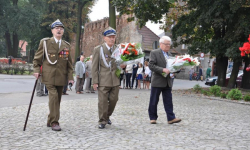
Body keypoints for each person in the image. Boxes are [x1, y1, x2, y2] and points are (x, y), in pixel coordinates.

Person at [33, 19, 74, 131]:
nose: (59, 30)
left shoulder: (66, 45)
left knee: (57, 100)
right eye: (57, 28)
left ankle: (50, 119)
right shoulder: (45, 43)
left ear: (63, 31)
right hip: (49, 76)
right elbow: (37, 58)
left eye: (61, 28)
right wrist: (36, 70)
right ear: (52, 31)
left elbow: (69, 64)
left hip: (61, 76)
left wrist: (71, 78)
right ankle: (55, 122)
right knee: (54, 97)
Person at [92, 27, 125, 129]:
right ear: (104, 38)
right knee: (102, 102)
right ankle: (102, 121)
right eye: (110, 37)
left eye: (113, 37)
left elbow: (121, 62)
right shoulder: (98, 49)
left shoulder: (118, 49)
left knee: (114, 100)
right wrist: (95, 81)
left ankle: (106, 116)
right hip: (103, 80)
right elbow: (94, 66)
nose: (112, 39)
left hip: (115, 79)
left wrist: (124, 65)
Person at [148, 36, 181, 125]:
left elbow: (173, 67)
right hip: (158, 81)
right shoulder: (154, 53)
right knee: (154, 100)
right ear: (161, 44)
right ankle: (153, 117)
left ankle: (171, 118)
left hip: (168, 81)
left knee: (168, 101)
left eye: (169, 45)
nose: (168, 46)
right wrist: (162, 70)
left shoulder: (170, 55)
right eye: (166, 44)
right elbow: (151, 66)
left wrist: (176, 70)